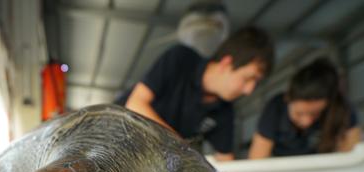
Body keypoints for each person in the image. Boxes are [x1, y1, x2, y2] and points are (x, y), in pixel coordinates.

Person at [116, 26, 274, 161]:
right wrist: (182, 147)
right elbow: (136, 104)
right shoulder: (180, 59)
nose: (249, 90)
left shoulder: (225, 110)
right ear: (226, 63)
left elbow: (226, 160)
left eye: (255, 83)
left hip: (148, 157)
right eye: (248, 79)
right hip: (112, 136)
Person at [248, 58, 361, 159]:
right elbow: (257, 160)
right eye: (299, 113)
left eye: (315, 114)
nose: (306, 122)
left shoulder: (342, 109)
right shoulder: (275, 108)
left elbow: (351, 157)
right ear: (288, 99)